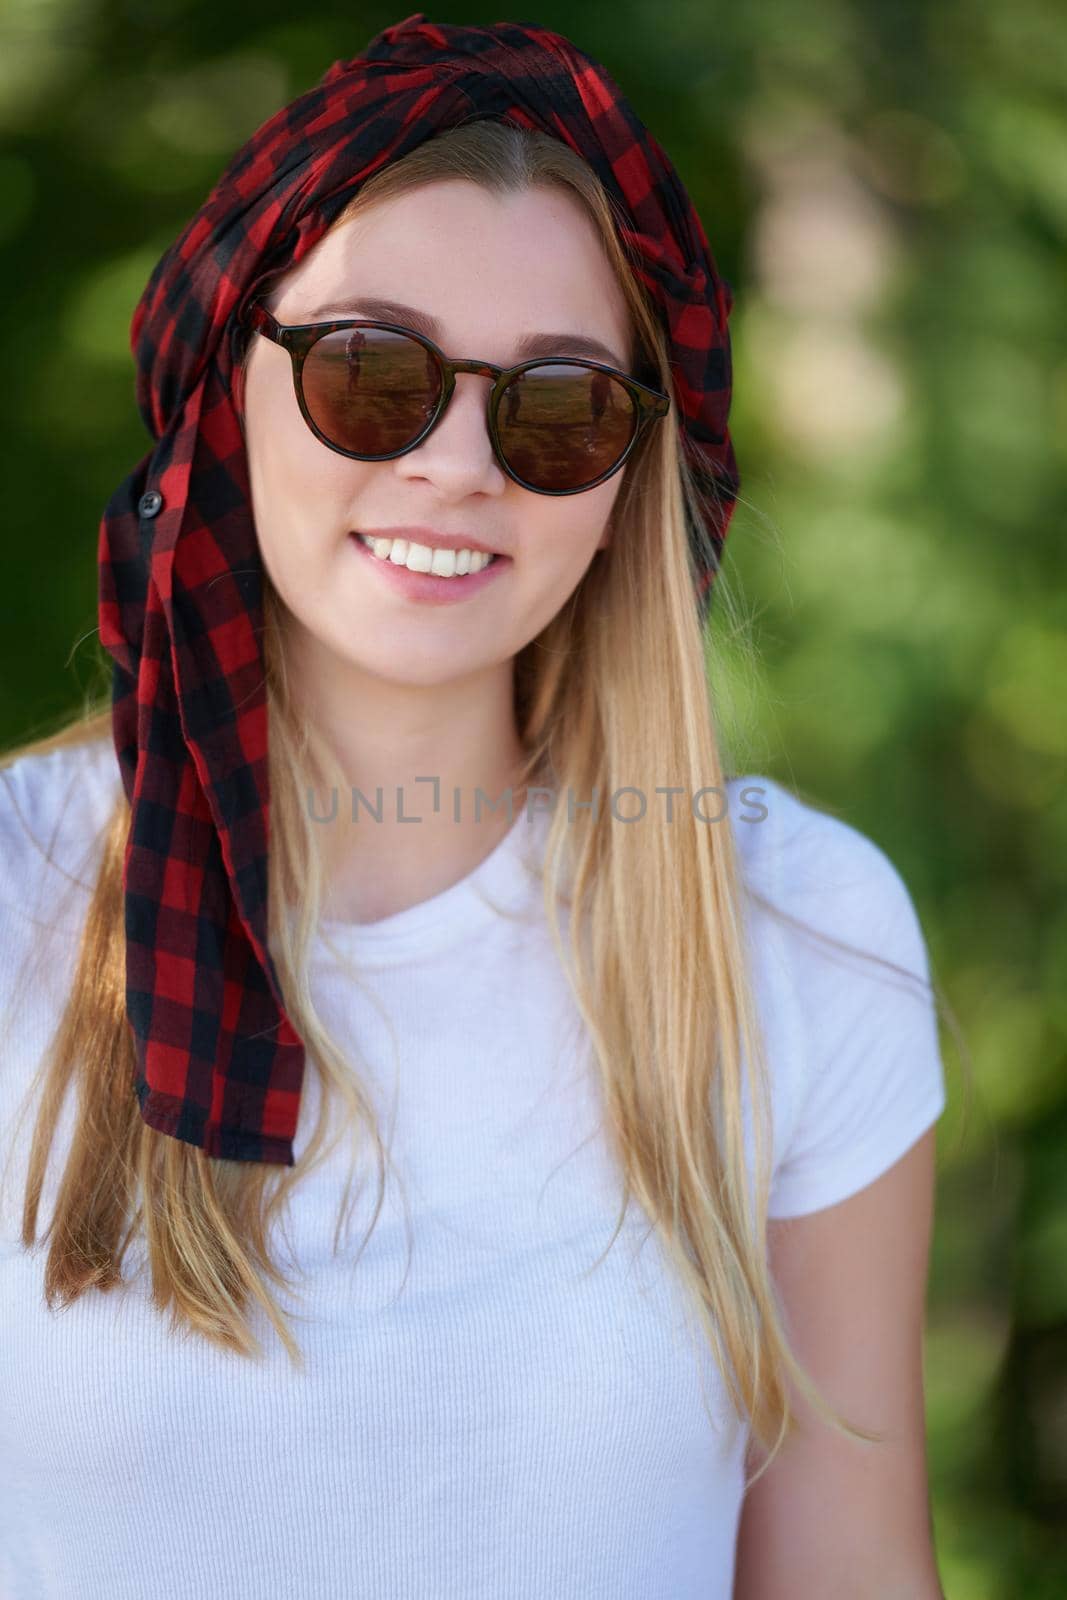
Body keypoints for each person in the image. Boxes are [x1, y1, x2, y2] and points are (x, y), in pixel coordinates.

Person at [0, 17, 950, 1600]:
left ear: (631, 479)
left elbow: (850, 1574)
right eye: (371, 373)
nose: (455, 463)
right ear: (229, 391)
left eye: (558, 407)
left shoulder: (800, 935)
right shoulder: (12, 896)